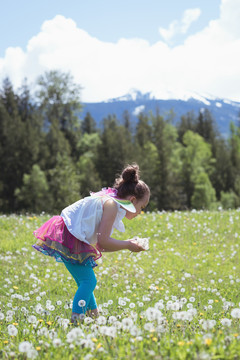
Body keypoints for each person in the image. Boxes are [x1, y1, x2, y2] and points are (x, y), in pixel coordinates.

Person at [33, 163, 150, 323]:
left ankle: (94, 319)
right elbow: (104, 242)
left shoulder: (112, 201)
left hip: (73, 234)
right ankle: (77, 321)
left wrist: (126, 244)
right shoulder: (111, 206)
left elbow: (101, 244)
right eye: (141, 207)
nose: (140, 212)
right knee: (89, 281)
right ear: (132, 200)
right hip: (71, 235)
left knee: (86, 281)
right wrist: (128, 244)